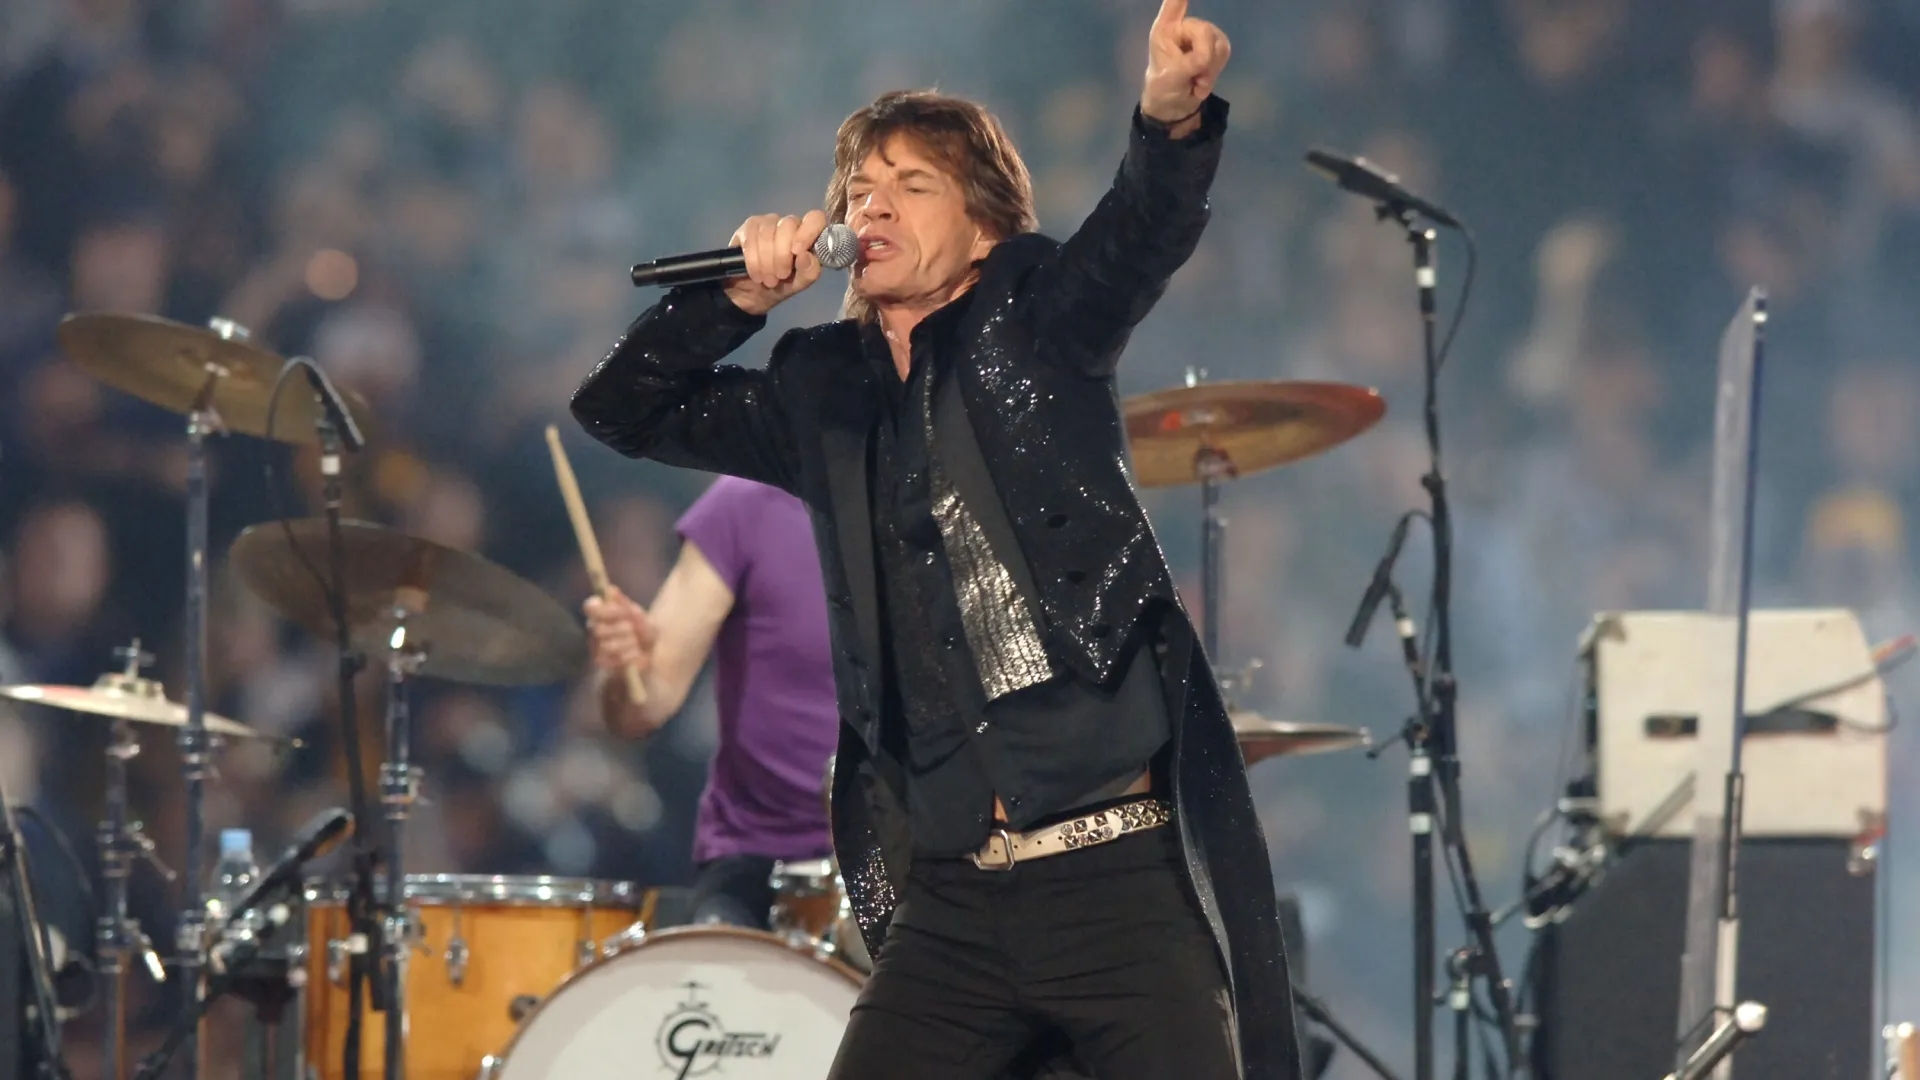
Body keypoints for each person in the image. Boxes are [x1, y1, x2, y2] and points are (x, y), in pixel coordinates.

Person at [571, 2, 1302, 1076]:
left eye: (913, 186)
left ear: (987, 226)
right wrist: (735, 295)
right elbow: (618, 410)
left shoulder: (1044, 317)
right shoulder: (817, 387)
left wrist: (1166, 116)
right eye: (859, 189)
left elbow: (1141, 231)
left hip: (1118, 881)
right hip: (953, 900)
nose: (874, 205)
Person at [583, 475, 839, 930]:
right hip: (762, 866)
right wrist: (629, 668)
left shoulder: (941, 500)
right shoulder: (743, 502)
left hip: (921, 863)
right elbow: (642, 708)